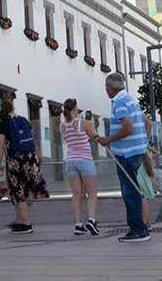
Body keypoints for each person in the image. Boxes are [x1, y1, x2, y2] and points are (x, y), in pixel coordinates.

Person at [98, 73, 150, 243]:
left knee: (129, 191)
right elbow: (146, 123)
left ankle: (138, 230)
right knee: (133, 189)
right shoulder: (131, 100)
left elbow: (128, 127)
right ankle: (140, 227)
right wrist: (143, 143)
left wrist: (108, 139)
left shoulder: (119, 103)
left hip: (125, 153)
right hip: (135, 150)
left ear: (109, 87)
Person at [0, 99, 48, 234]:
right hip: (30, 159)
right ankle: (20, 221)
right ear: (13, 109)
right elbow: (32, 138)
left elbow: (0, 144)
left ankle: (26, 224)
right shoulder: (23, 120)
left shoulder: (3, 124)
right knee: (27, 191)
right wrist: (39, 155)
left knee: (18, 193)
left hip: (15, 162)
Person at [61, 98, 100, 236]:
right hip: (84, 160)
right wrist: (92, 124)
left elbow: (74, 140)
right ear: (75, 109)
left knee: (77, 194)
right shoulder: (81, 123)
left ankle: (78, 224)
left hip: (70, 160)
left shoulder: (63, 126)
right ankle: (91, 220)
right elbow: (94, 136)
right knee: (92, 193)